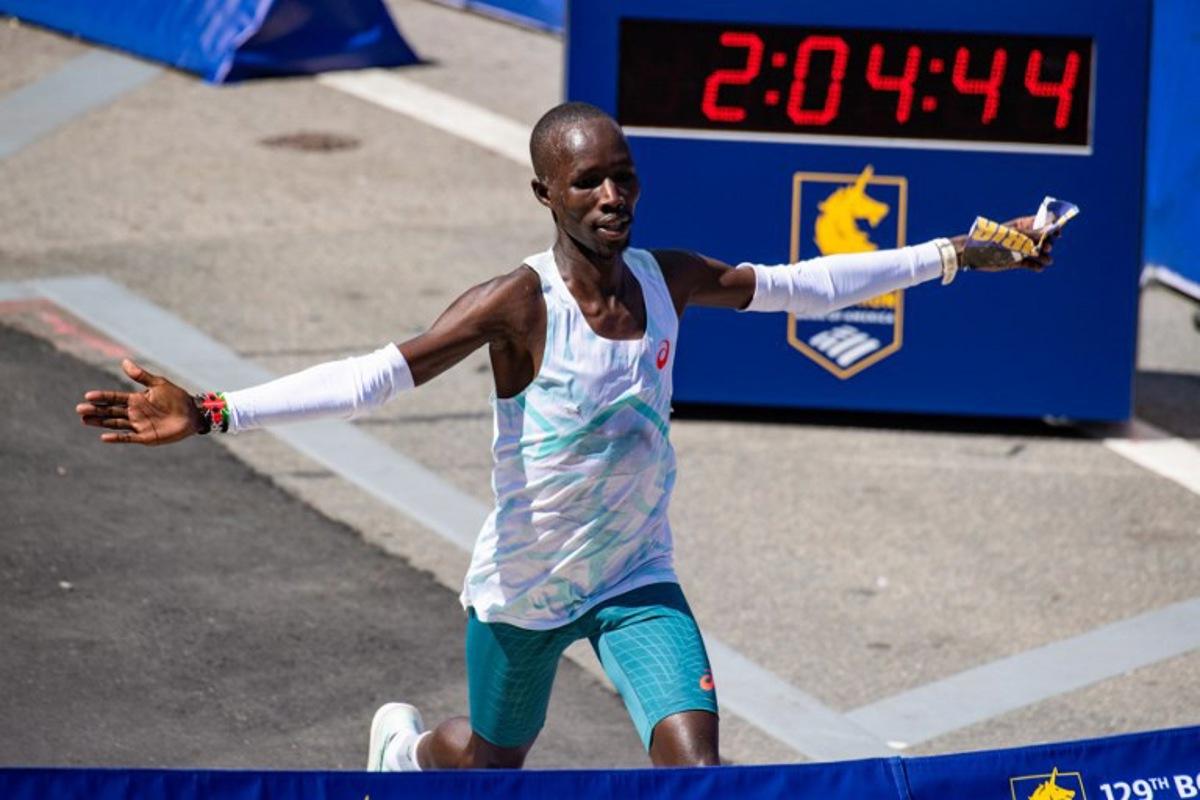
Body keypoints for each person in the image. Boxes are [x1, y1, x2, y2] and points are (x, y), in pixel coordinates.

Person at [75, 102, 1053, 770]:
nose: (611, 197)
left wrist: (963, 252)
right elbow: (378, 372)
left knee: (697, 767)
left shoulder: (669, 279)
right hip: (524, 590)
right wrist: (214, 410)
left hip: (636, 579)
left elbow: (807, 281)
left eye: (623, 178)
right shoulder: (517, 303)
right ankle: (409, 751)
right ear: (544, 193)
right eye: (586, 182)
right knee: (488, 761)